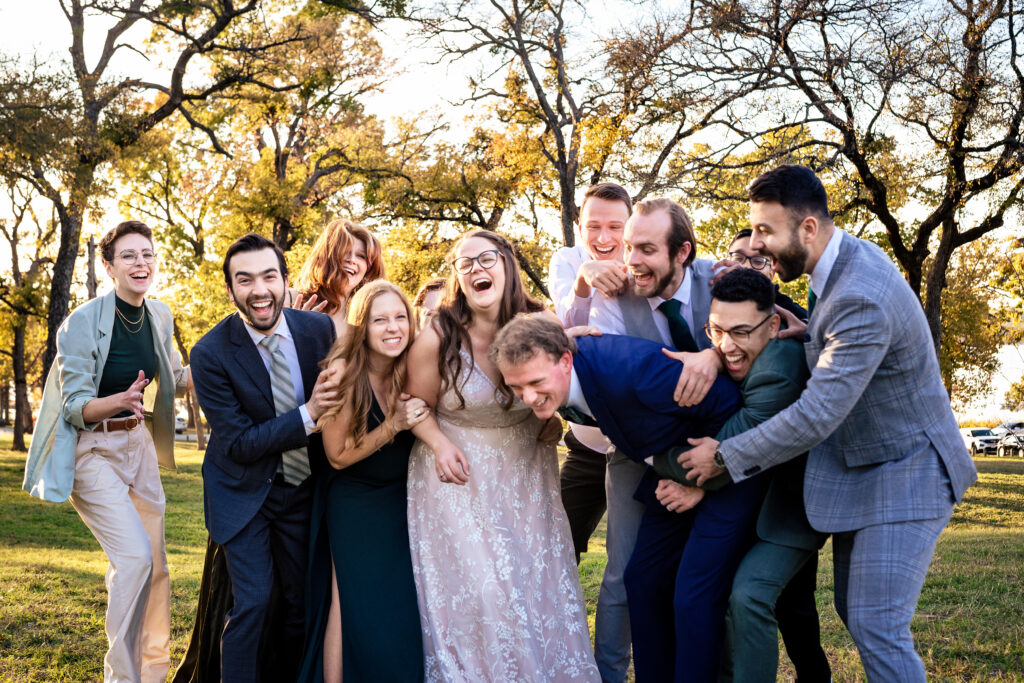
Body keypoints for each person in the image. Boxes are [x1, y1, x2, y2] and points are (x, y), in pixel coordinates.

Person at [680, 165, 978, 682]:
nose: (757, 244)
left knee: (877, 624)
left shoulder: (858, 293)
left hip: (909, 471)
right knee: (854, 610)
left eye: (766, 231)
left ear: (809, 229)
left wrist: (724, 455)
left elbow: (817, 414)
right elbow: (841, 342)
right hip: (863, 470)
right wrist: (810, 332)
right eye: (754, 230)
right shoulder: (838, 265)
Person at [492, 313, 765, 682]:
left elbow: (729, 404)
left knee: (693, 595)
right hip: (669, 472)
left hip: (728, 471)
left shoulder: (633, 374)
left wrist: (702, 481)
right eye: (517, 386)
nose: (527, 397)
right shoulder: (563, 362)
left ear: (565, 360)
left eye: (536, 382)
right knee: (642, 580)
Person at [174, 225, 385, 682]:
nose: (259, 290)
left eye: (269, 277)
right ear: (230, 289)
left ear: (286, 281)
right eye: (245, 280)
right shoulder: (210, 352)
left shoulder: (317, 330)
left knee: (299, 604)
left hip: (304, 490)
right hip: (243, 493)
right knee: (253, 602)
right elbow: (238, 443)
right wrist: (308, 414)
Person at [404, 229, 600, 682]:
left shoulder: (542, 321)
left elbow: (559, 386)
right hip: (455, 472)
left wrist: (552, 418)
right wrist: (438, 442)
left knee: (533, 587)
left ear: (507, 263)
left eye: (486, 258)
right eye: (465, 263)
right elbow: (413, 406)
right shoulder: (438, 333)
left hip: (526, 473)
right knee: (485, 594)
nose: (476, 269)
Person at [23, 220, 190, 683]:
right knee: (134, 558)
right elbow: (75, 407)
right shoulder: (82, 321)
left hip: (137, 445)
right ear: (110, 265)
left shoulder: (159, 314)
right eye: (130, 256)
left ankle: (153, 673)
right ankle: (122, 678)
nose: (142, 264)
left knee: (153, 565)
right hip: (91, 450)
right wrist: (115, 402)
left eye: (148, 254)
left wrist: (240, 342)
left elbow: (175, 378)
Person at [648, 268, 830, 682]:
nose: (726, 345)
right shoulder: (730, 351)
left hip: (787, 513)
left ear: (773, 325)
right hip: (746, 503)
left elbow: (713, 461)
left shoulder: (778, 368)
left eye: (741, 332)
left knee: (749, 597)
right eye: (716, 331)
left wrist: (644, 454)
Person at [298, 281, 427, 682]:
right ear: (362, 327)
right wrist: (393, 424)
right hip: (354, 503)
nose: (393, 328)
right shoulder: (343, 373)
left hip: (402, 500)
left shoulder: (414, 366)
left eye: (400, 317)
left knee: (399, 604)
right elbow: (337, 456)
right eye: (380, 320)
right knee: (350, 601)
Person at [547, 182, 630, 582]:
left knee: (628, 557)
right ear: (579, 226)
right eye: (593, 226)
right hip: (585, 443)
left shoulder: (647, 261)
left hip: (638, 443)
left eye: (615, 227)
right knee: (557, 545)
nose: (604, 237)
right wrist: (584, 281)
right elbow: (566, 333)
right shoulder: (566, 260)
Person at [292, 218, 385, 334]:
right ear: (327, 257)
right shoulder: (291, 300)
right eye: (345, 251)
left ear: (369, 269)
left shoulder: (369, 317)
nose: (352, 260)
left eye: (361, 256)